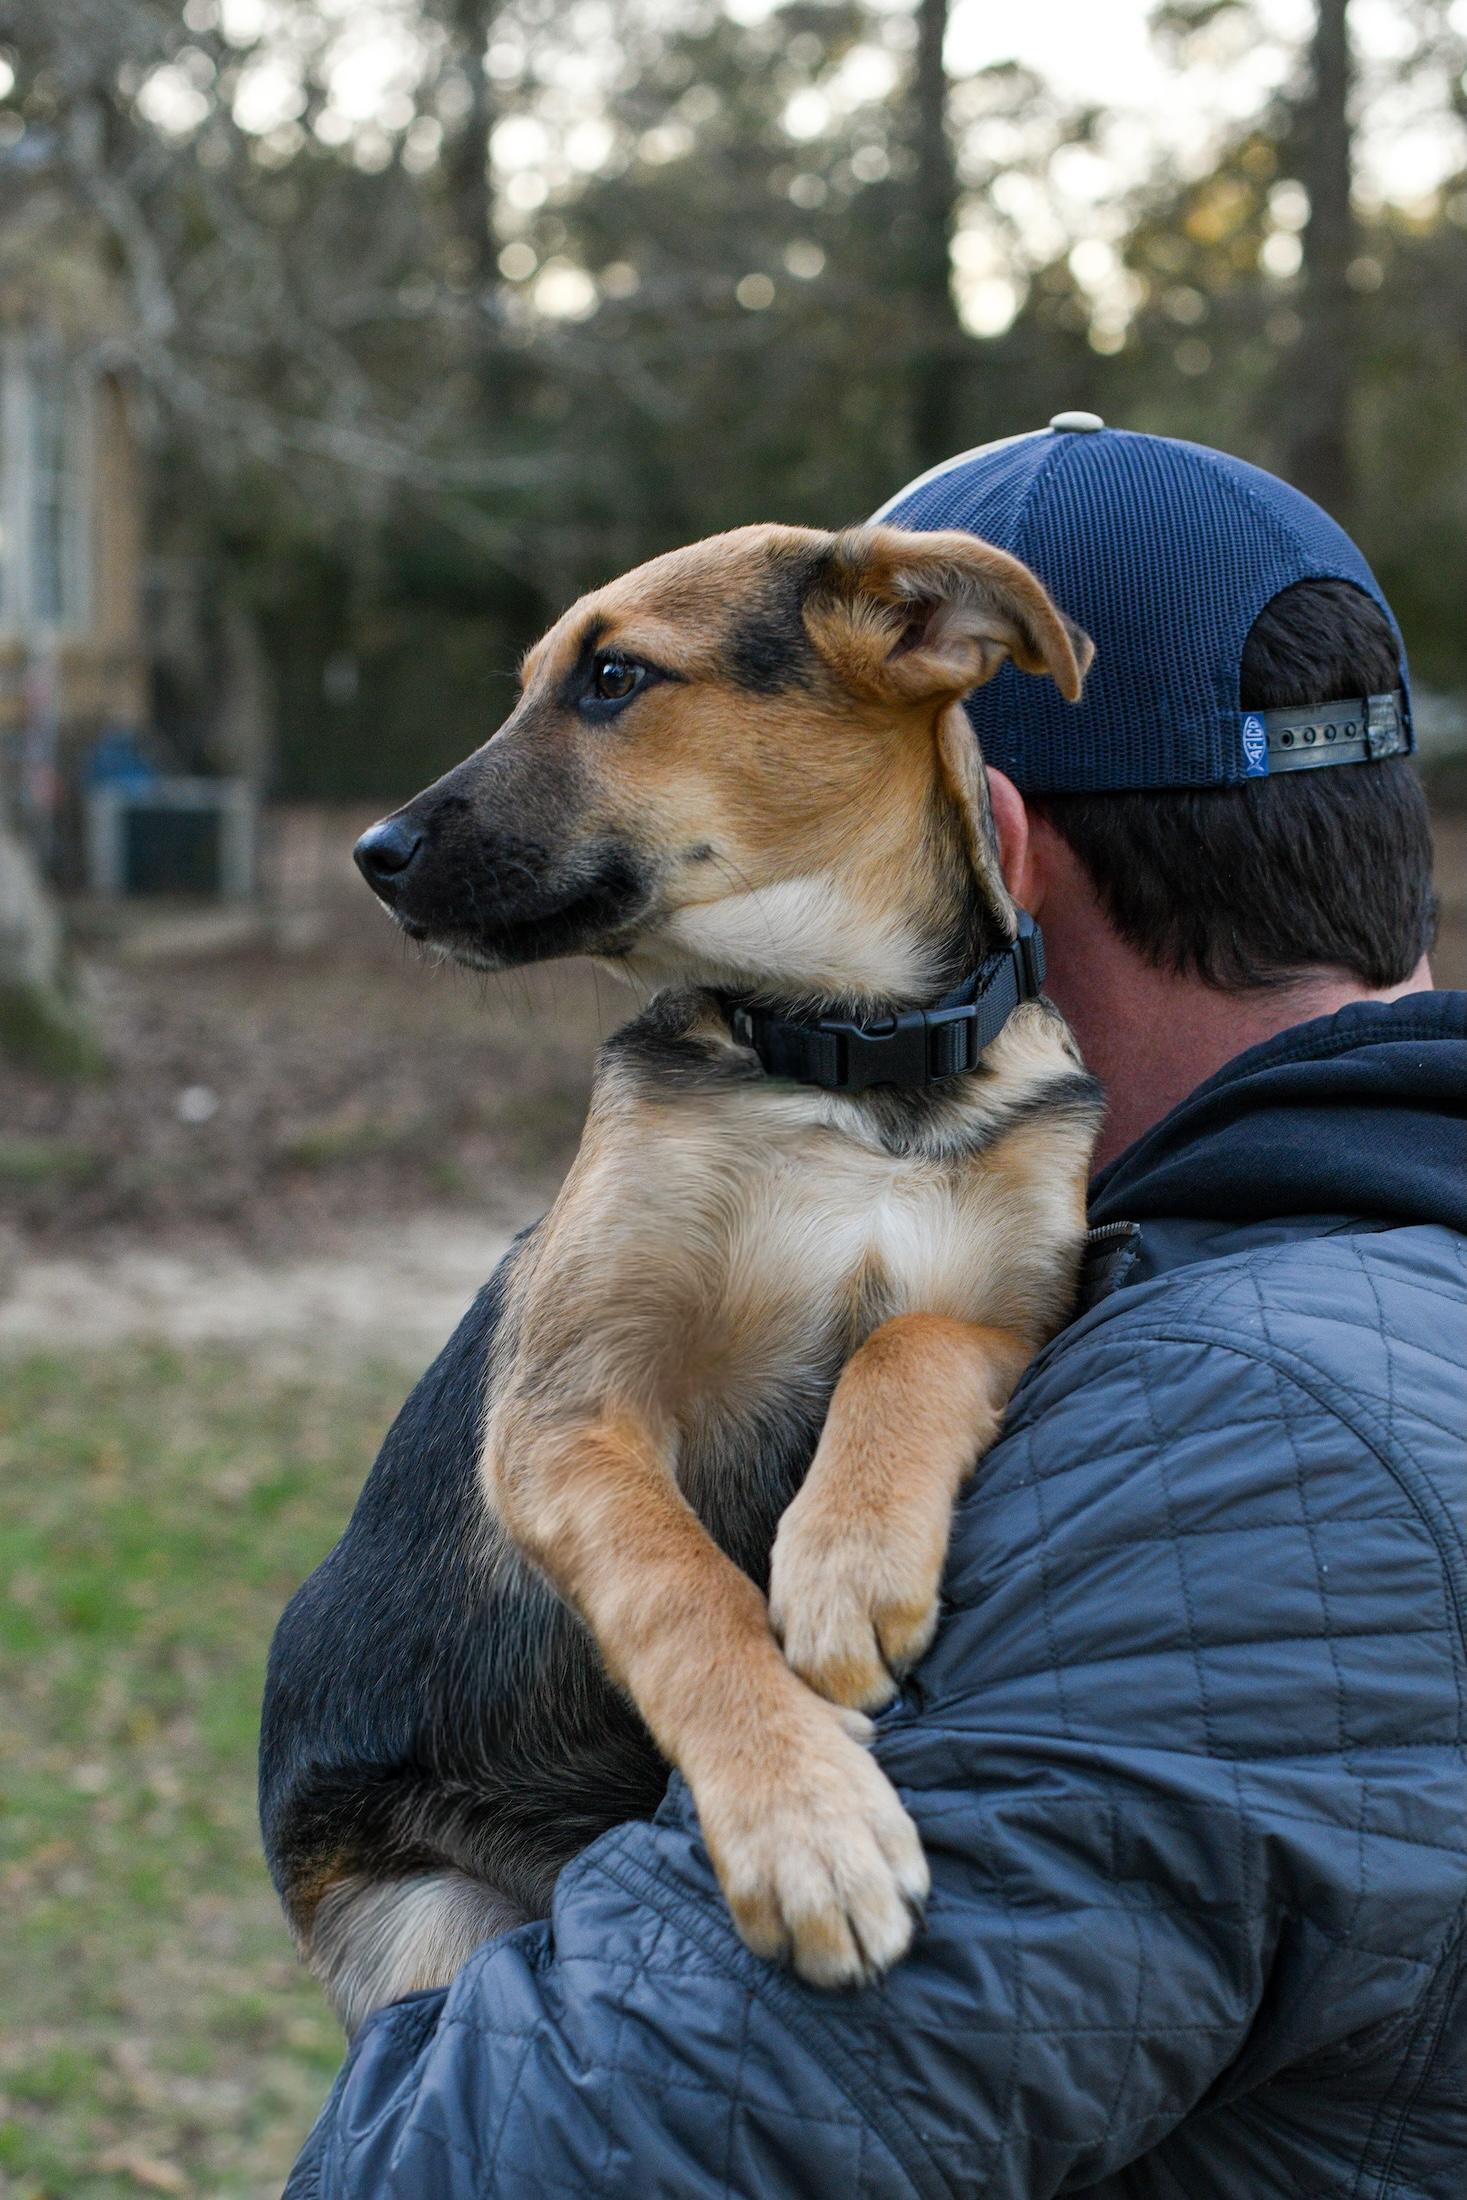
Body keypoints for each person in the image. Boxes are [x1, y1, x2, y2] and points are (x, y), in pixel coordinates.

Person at [283, 421, 1466, 2199]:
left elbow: (529, 2157)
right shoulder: (1355, 1281)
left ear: (981, 829)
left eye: (611, 690)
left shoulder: (1232, 1449)